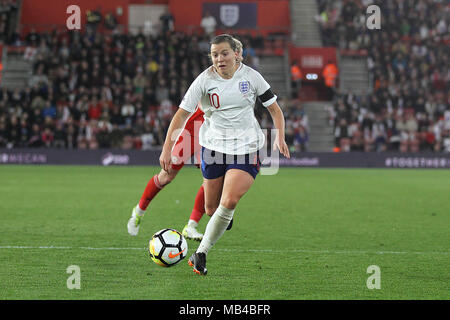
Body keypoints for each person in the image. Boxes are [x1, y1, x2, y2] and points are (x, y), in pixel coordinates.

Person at [159, 34, 290, 275]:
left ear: (237, 54)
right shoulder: (204, 80)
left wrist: (280, 136)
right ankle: (223, 217)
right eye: (215, 54)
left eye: (224, 53)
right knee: (211, 210)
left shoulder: (251, 77)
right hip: (213, 148)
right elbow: (181, 115)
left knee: (229, 202)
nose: (219, 58)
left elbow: (275, 109)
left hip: (247, 148)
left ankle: (201, 254)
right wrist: (167, 148)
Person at [127, 37, 246, 241]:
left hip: (212, 136)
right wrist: (167, 148)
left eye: (238, 54)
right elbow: (182, 114)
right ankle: (138, 211)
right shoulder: (208, 78)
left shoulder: (244, 80)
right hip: (192, 131)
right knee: (166, 176)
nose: (237, 58)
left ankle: (191, 226)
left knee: (212, 180)